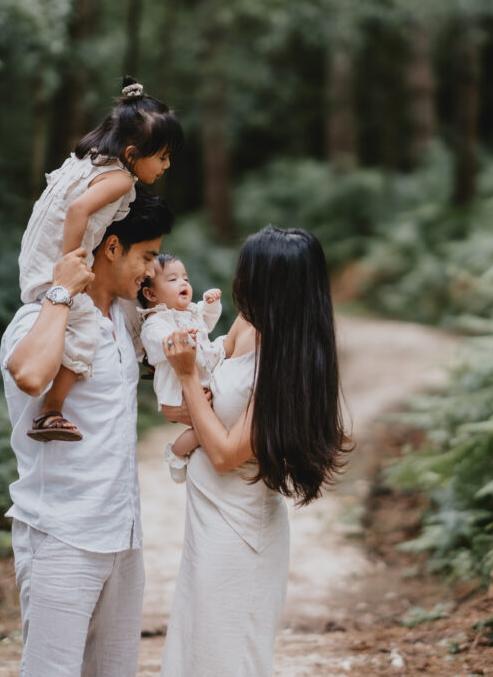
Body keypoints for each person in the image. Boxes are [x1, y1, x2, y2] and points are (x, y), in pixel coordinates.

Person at [158, 227, 350, 677]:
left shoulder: (287, 364)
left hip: (239, 531)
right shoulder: (247, 324)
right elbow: (203, 391)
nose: (240, 282)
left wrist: (185, 377)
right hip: (206, 520)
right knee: (195, 650)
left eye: (251, 274)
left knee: (228, 658)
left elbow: (225, 453)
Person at [0, 193, 174, 676]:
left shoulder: (122, 321)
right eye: (145, 256)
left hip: (123, 534)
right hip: (62, 535)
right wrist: (60, 291)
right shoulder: (40, 318)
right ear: (111, 247)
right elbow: (31, 376)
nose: (150, 269)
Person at [18, 75, 182, 443]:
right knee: (84, 325)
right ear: (132, 155)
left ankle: (144, 360)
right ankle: (51, 411)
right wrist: (71, 266)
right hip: (56, 269)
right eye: (163, 157)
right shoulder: (120, 180)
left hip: (34, 257)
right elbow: (77, 211)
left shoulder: (87, 162)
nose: (167, 166)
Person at [137, 253, 226, 483]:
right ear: (150, 293)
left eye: (185, 278)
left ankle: (201, 452)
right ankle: (176, 453)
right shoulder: (155, 322)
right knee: (205, 427)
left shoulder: (191, 313)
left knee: (214, 423)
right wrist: (177, 337)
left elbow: (208, 320)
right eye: (173, 279)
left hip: (201, 381)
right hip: (179, 392)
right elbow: (159, 342)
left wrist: (210, 303)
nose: (184, 283)